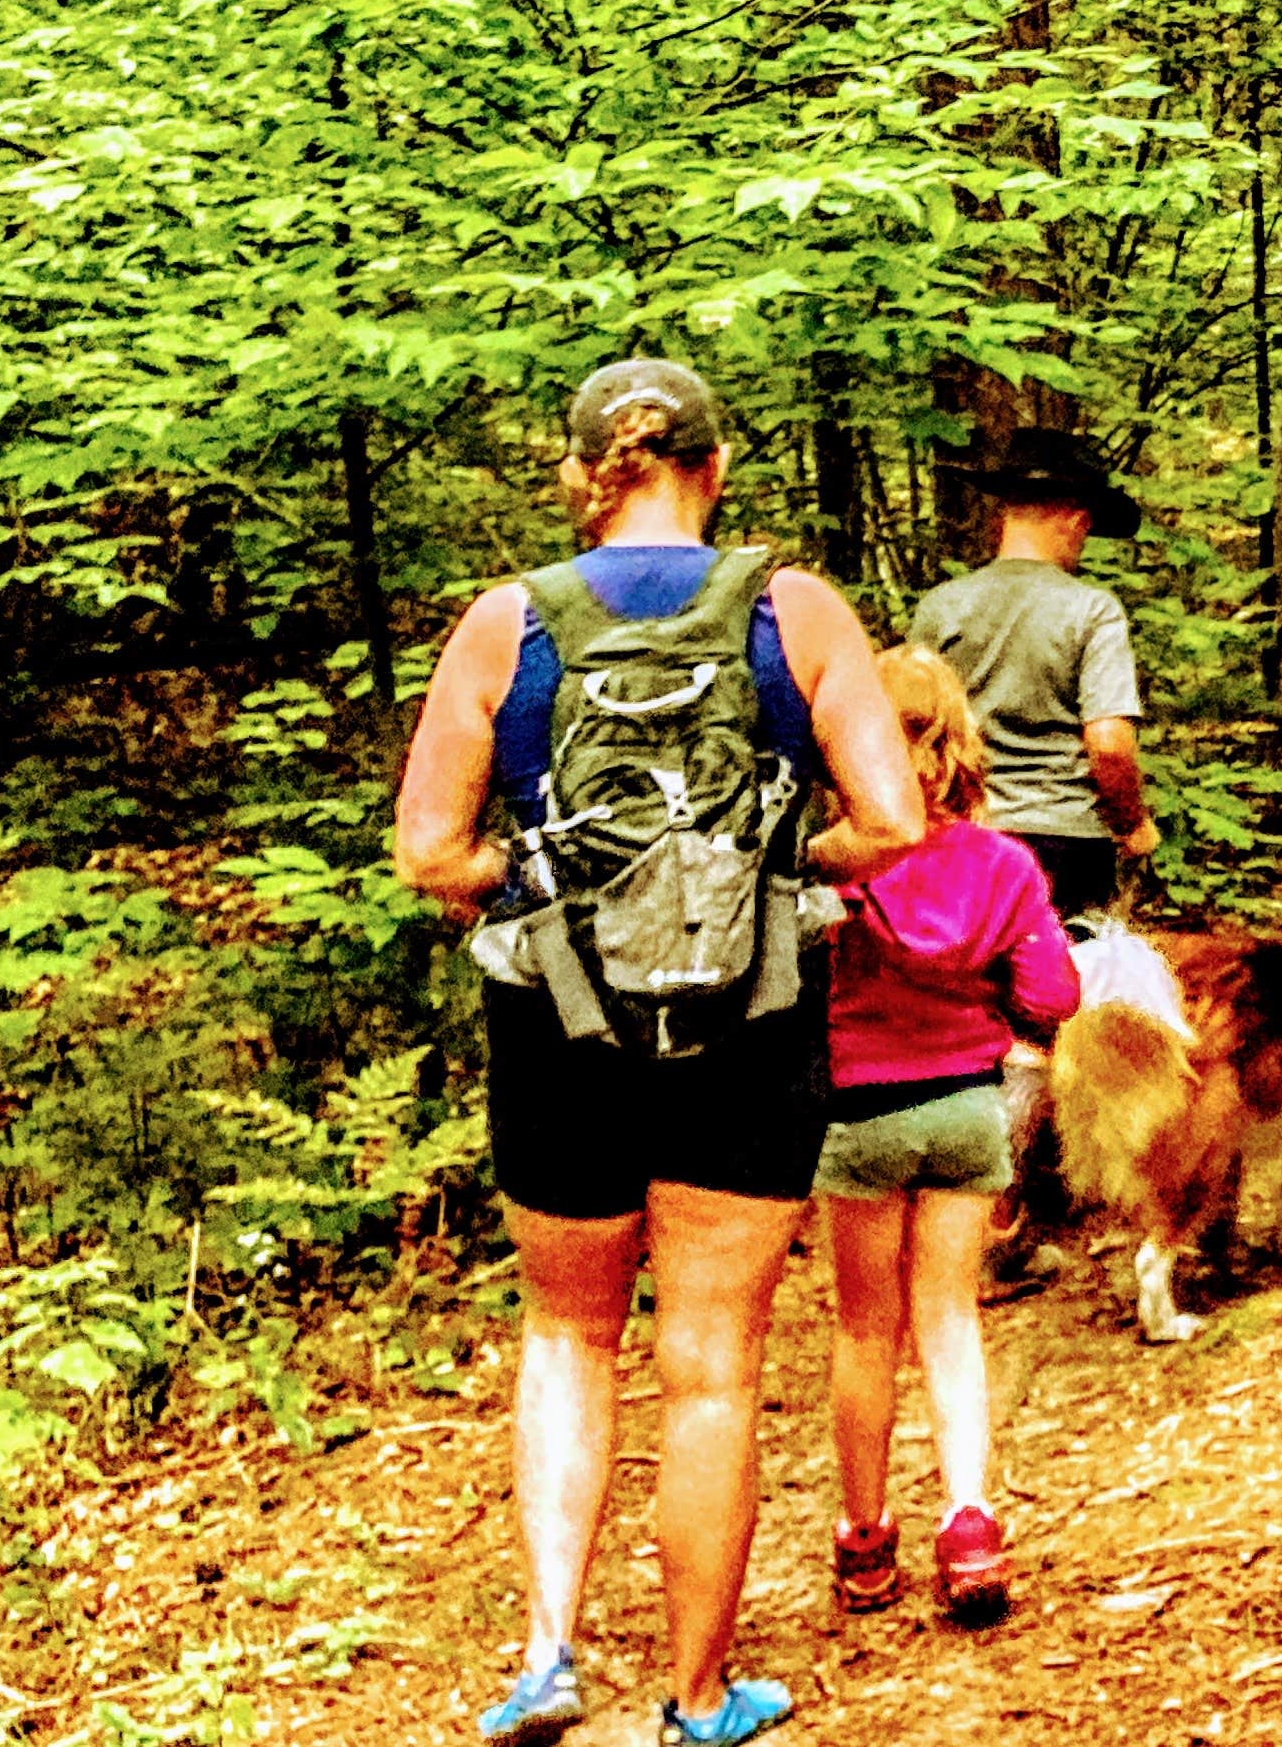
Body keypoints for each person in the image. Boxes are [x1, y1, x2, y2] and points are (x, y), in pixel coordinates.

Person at [394, 359, 925, 1747]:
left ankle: (546, 1653)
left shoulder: (504, 622)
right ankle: (699, 1697)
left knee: (567, 1335)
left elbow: (426, 850)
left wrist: (538, 870)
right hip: (750, 1024)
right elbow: (896, 822)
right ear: (716, 463)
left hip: (556, 1024)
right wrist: (772, 859)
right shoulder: (793, 609)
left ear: (584, 473)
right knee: (711, 1361)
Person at [813, 648, 1077, 1623]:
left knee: (862, 1329)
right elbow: (1055, 994)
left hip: (858, 1118)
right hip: (968, 1110)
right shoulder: (1003, 864)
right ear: (956, 742)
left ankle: (865, 1537)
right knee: (950, 1320)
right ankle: (969, 1521)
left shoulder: (832, 867)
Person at [908, 429, 1154, 922]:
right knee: (1073, 991)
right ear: (1075, 519)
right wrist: (1133, 824)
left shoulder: (940, 609)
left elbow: (912, 731)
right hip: (1068, 843)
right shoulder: (1092, 610)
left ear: (1006, 514)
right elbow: (1108, 744)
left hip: (967, 837)